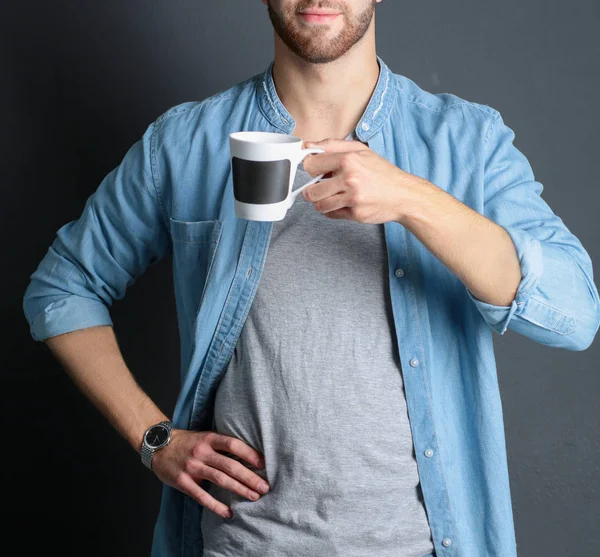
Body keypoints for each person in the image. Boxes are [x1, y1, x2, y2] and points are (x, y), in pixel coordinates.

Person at [22, 1, 600, 556]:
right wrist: (154, 439)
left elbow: (574, 314)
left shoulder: (467, 143)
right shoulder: (185, 145)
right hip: (240, 546)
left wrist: (411, 199)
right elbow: (63, 287)